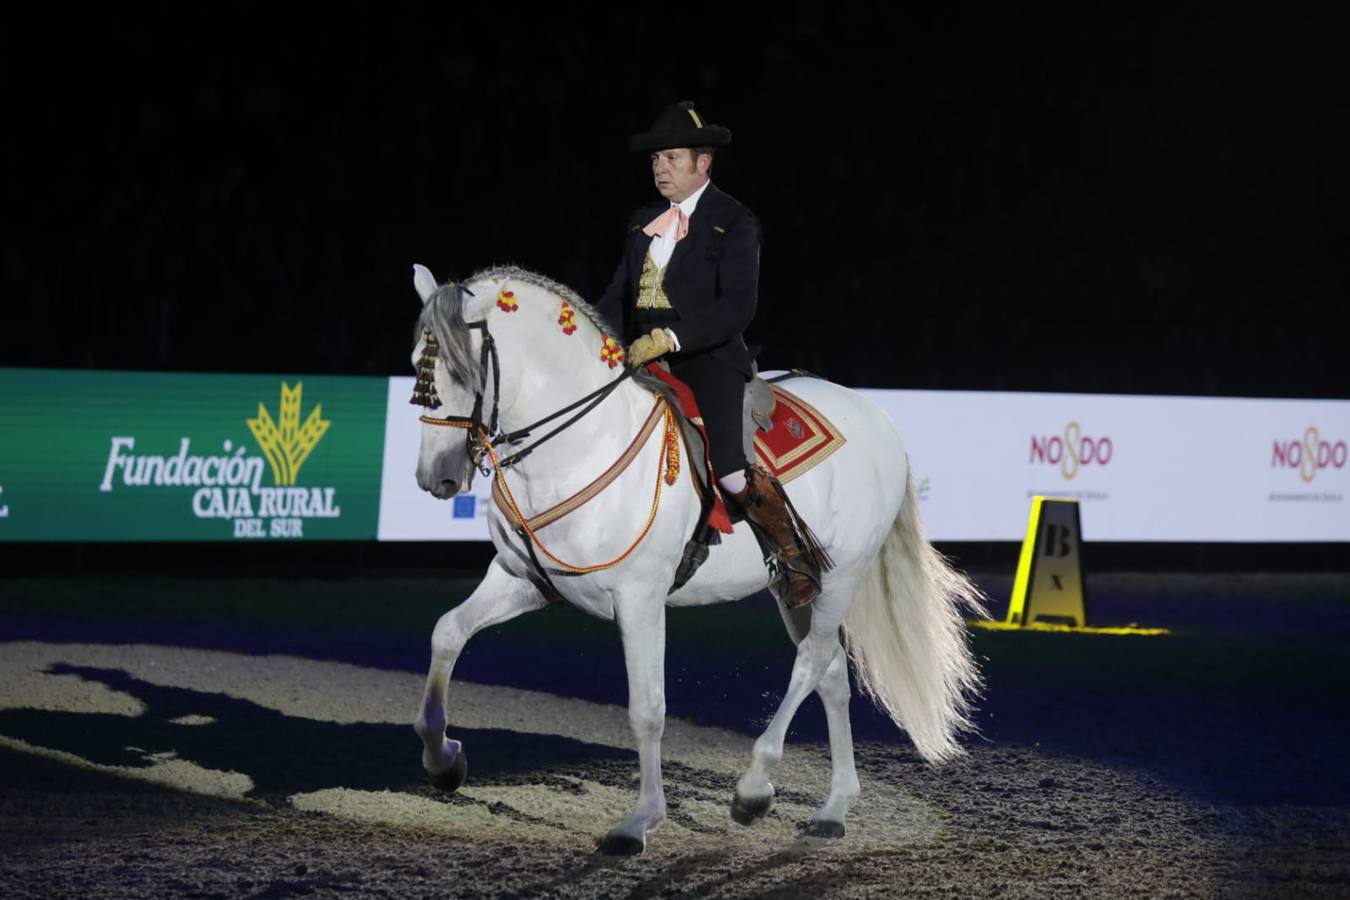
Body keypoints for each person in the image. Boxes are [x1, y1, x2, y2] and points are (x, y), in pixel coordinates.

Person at [595, 100, 826, 608]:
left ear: (704, 163)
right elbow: (618, 296)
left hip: (708, 360)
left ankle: (794, 554)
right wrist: (592, 335)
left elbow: (737, 307)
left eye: (672, 159)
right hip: (641, 358)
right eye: (656, 161)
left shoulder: (733, 222)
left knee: (731, 471)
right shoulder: (642, 222)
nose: (661, 169)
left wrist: (673, 339)